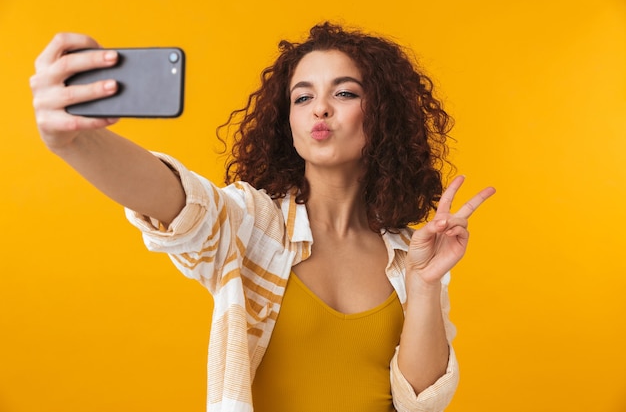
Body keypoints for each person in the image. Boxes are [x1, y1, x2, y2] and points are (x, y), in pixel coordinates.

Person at [30, 22, 495, 412]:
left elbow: (420, 401)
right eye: (302, 97)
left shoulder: (408, 253)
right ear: (287, 122)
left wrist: (425, 282)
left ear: (383, 116)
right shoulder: (252, 225)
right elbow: (177, 202)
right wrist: (71, 142)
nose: (321, 108)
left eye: (345, 92)